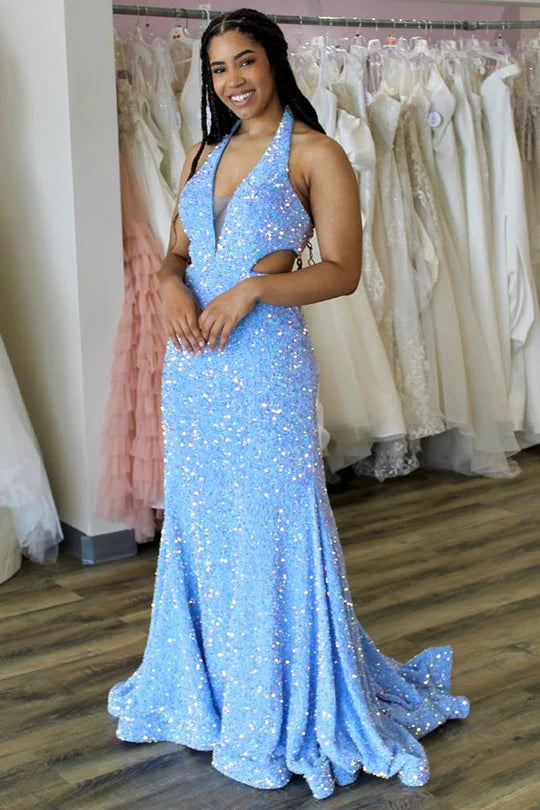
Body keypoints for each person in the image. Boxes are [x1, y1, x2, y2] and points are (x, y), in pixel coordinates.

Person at [108, 9, 469, 800]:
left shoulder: (315, 153)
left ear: (274, 60)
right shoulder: (204, 152)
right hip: (193, 367)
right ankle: (214, 690)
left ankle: (278, 700)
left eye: (245, 61)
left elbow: (342, 269)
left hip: (265, 364)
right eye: (218, 68)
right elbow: (175, 254)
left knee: (275, 523)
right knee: (206, 526)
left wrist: (253, 290)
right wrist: (168, 285)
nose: (232, 80)